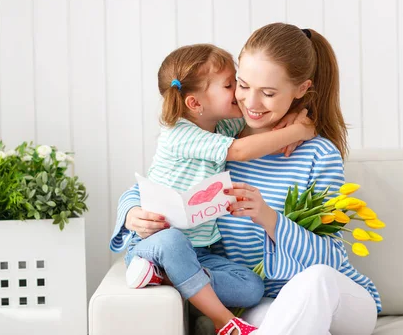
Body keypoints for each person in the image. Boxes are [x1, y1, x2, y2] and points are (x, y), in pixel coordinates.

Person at [113, 23, 381, 335]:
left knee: (316, 278)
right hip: (265, 300)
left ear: (301, 89)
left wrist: (268, 218)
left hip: (339, 300)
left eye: (268, 93)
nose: (250, 103)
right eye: (242, 85)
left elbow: (331, 257)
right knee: (259, 319)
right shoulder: (219, 146)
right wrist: (133, 214)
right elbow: (155, 186)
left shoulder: (318, 154)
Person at [115, 43, 315, 335]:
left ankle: (169, 277)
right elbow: (242, 150)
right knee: (172, 241)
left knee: (251, 287)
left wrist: (297, 117)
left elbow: (257, 123)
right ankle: (225, 321)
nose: (238, 93)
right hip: (154, 246)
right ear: (196, 104)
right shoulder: (180, 133)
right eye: (230, 85)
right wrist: (299, 131)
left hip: (199, 252)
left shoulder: (220, 127)